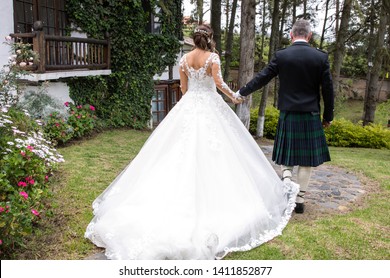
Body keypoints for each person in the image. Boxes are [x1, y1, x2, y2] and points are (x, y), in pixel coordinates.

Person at [85, 24, 298, 260]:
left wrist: (192, 102)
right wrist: (234, 97)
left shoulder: (184, 59)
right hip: (209, 106)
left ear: (195, 39)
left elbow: (184, 89)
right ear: (210, 38)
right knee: (220, 153)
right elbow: (219, 83)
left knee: (175, 152)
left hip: (188, 108)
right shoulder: (213, 58)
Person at [234, 19, 334, 214]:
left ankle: (287, 181)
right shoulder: (320, 57)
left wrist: (242, 92)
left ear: (291, 35)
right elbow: (328, 90)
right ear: (309, 36)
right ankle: (300, 199)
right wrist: (328, 116)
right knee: (307, 160)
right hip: (310, 114)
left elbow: (262, 77)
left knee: (285, 155)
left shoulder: (282, 55)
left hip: (288, 114)